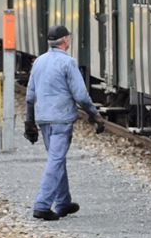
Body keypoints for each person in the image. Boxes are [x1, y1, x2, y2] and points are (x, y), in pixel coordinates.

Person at [23, 24, 105, 221]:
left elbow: (30, 95)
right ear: (66, 40)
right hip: (60, 119)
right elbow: (81, 95)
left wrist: (29, 122)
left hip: (43, 119)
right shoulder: (68, 62)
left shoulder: (39, 62)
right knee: (56, 160)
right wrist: (94, 115)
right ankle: (42, 205)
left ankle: (63, 202)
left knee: (56, 158)